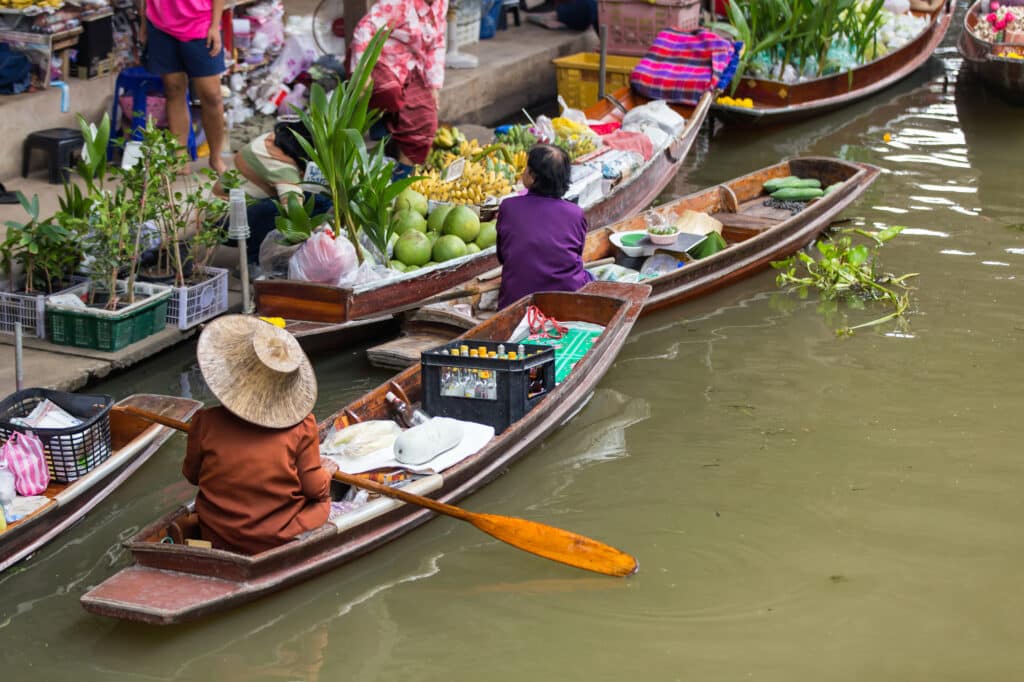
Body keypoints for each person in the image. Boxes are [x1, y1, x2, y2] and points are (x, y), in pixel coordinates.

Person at [183, 315, 339, 555]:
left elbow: (192, 475)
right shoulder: (302, 426)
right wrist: (327, 472)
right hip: (276, 536)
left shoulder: (205, 421)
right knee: (322, 502)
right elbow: (314, 489)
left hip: (217, 532)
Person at [349, 0, 448, 177]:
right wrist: (363, 71)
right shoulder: (398, 2)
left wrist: (434, 84)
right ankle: (381, 121)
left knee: (426, 119)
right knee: (389, 91)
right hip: (381, 59)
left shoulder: (441, 4)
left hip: (412, 65)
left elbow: (437, 43)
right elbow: (364, 29)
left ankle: (402, 176)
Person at [496, 144, 593, 309]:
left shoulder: (508, 207)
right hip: (566, 298)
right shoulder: (575, 213)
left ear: (533, 177)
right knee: (589, 276)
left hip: (515, 301)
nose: (524, 171)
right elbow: (576, 255)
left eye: (527, 168)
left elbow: (502, 256)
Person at [226, 117, 332, 263]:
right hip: (227, 222)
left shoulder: (276, 140)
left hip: (234, 213)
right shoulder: (282, 166)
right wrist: (317, 243)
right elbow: (293, 208)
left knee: (322, 200)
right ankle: (253, 261)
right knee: (279, 208)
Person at [139, 0, 228, 174]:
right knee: (173, 89)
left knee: (211, 95)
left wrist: (215, 25)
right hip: (161, 24)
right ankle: (179, 157)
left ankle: (216, 157)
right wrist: (143, 22)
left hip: (201, 23)